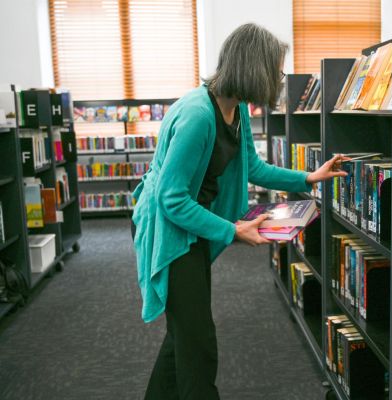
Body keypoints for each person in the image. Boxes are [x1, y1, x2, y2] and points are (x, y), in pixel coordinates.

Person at [131, 23, 347, 400]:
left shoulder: (237, 110)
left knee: (183, 338)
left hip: (194, 226)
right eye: (276, 71)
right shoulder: (198, 116)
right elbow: (171, 200)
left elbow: (254, 167)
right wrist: (233, 231)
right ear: (253, 67)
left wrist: (309, 176)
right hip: (172, 233)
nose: (279, 80)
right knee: (199, 348)